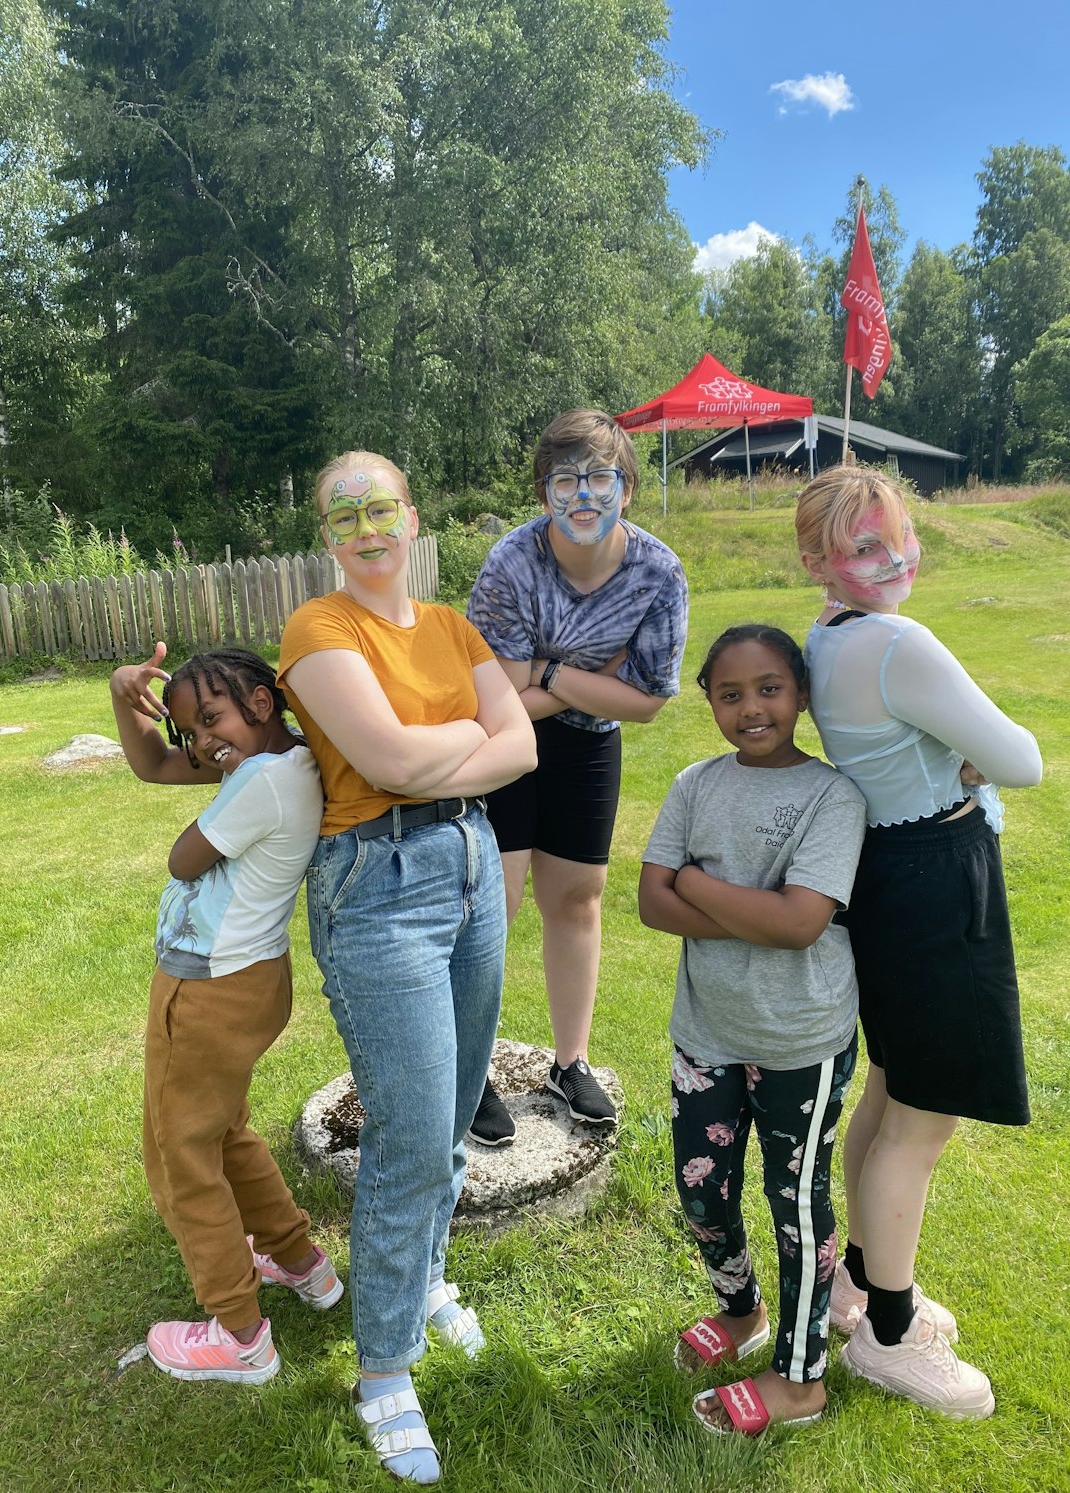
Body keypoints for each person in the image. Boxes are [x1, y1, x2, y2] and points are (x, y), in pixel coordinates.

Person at [276, 451, 535, 1484]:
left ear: (412, 517)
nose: (366, 528)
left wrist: (440, 749)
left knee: (458, 1105)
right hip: (375, 883)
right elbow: (383, 762)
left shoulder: (452, 627)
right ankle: (384, 1368)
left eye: (380, 508)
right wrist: (471, 732)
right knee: (413, 1133)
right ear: (327, 536)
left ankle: (424, 1279)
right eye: (344, 516)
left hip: (472, 865)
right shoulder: (319, 628)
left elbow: (523, 748)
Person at [796, 466, 1042, 1419]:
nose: (893, 557)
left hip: (889, 875)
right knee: (922, 1120)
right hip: (934, 878)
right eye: (864, 546)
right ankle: (891, 1336)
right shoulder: (897, 641)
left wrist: (957, 755)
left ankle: (858, 1284)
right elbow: (1021, 758)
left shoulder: (830, 631)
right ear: (818, 560)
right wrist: (972, 758)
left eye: (898, 536)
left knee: (894, 1087)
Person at [639, 624, 866, 1434]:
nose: (752, 708)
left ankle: (801, 1378)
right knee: (701, 1189)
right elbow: (651, 901)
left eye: (769, 688)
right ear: (709, 701)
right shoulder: (695, 784)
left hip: (801, 1037)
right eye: (730, 694)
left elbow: (801, 924)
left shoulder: (833, 797)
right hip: (707, 1030)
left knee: (795, 1202)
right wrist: (754, 911)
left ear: (800, 692)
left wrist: (698, 884)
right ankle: (743, 1313)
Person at [109, 645, 343, 1385]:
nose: (204, 742)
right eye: (191, 730)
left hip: (206, 987)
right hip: (253, 977)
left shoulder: (259, 781)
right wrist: (123, 696)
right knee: (223, 1130)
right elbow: (154, 765)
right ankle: (301, 1263)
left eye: (212, 719)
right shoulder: (286, 760)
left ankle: (240, 1335)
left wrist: (222, 779)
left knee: (180, 1152)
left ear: (260, 702)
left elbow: (184, 858)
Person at [465, 408, 688, 1144]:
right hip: (506, 742)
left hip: (590, 744)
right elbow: (502, 696)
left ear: (628, 486)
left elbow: (648, 701)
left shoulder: (658, 572)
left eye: (600, 476)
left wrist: (553, 672)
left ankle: (571, 1062)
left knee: (578, 900)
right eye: (565, 480)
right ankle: (470, 1072)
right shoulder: (511, 562)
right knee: (492, 904)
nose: (583, 494)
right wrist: (597, 677)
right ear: (544, 493)